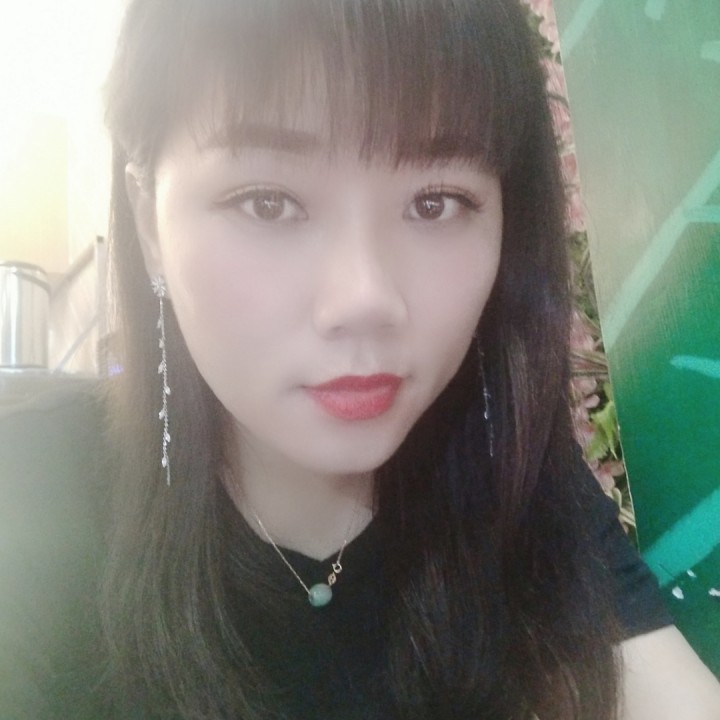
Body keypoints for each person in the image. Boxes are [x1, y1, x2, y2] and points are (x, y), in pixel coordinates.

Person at [1, 0, 719, 718]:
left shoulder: (516, 472)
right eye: (268, 203)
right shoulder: (29, 491)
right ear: (148, 223)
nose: (366, 298)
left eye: (436, 202)